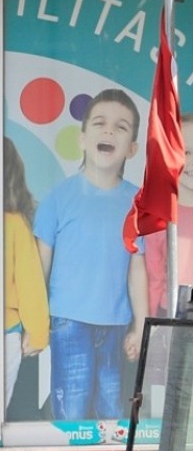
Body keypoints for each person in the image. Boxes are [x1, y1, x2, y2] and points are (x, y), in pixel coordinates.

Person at [35, 88, 148, 422]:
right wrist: (36, 320)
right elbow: (41, 265)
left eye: (121, 126)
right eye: (99, 123)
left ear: (132, 148)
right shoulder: (58, 197)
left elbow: (137, 268)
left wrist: (140, 327)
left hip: (116, 325)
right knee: (73, 410)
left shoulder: (136, 202)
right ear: (83, 139)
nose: (109, 131)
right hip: (69, 323)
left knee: (113, 414)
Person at [3, 138, 49, 422]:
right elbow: (30, 284)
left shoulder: (15, 223)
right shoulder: (15, 223)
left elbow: (30, 283)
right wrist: (38, 333)